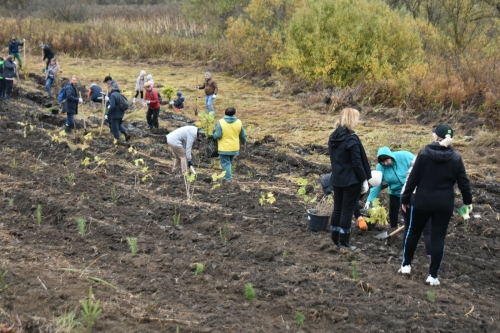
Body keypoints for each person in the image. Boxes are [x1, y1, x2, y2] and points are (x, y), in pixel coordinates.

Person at [399, 124, 472, 286]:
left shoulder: (424, 155)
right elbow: (464, 184)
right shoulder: (456, 159)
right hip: (444, 205)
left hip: (422, 202)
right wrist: (468, 203)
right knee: (438, 238)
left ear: (436, 137)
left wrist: (405, 198)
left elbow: (413, 180)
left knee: (413, 232)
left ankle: (406, 266)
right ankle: (433, 276)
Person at [328, 108, 371, 249]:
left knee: (337, 209)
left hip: (337, 178)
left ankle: (335, 240)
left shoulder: (333, 137)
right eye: (356, 118)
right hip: (351, 180)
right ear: (351, 119)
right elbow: (357, 163)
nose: (358, 121)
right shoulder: (351, 139)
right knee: (346, 211)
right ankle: (344, 243)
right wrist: (364, 179)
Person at [364, 147, 414, 228]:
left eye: (387, 160)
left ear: (391, 156)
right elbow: (377, 184)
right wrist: (369, 200)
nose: (385, 163)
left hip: (410, 191)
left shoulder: (405, 156)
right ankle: (393, 229)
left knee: (411, 211)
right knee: (393, 211)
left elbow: (418, 166)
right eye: (383, 162)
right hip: (395, 192)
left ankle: (412, 227)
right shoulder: (380, 167)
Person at [212, 107, 246, 181]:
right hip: (234, 147)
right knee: (228, 163)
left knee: (225, 163)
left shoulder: (221, 122)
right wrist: (243, 142)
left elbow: (218, 135)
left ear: (225, 113)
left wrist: (212, 136)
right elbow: (243, 136)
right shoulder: (239, 122)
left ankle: (228, 179)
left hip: (224, 148)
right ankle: (227, 176)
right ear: (234, 113)